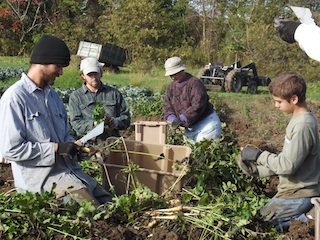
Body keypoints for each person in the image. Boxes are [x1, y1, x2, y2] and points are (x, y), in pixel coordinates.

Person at [0, 35, 111, 207]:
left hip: (72, 175)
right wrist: (55, 149)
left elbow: (64, 135)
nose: (60, 72)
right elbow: (11, 150)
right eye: (58, 66)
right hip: (43, 185)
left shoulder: (54, 97)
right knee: (98, 214)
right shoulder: (15, 98)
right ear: (42, 62)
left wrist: (76, 148)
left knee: (110, 202)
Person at [236, 72, 320, 230]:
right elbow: (288, 159)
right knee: (260, 220)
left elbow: (288, 165)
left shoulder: (303, 125)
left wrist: (259, 155)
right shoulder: (299, 120)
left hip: (299, 193)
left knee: (259, 226)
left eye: (279, 102)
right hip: (294, 190)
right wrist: (258, 170)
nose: (276, 105)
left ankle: (309, 219)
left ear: (294, 99)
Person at [69, 57, 130, 141]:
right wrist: (95, 124)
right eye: (90, 75)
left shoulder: (114, 93)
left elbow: (126, 118)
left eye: (96, 73)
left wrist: (113, 122)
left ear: (101, 73)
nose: (93, 77)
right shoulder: (76, 96)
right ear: (82, 76)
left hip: (112, 142)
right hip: (88, 144)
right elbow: (76, 123)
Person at [163, 56, 222, 143]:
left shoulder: (195, 83)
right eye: (171, 75)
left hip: (206, 125)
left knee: (202, 154)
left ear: (182, 70)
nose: (173, 77)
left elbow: (198, 105)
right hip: (190, 128)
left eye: (175, 74)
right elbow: (167, 106)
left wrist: (182, 118)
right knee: (190, 154)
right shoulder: (170, 88)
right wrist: (171, 118)